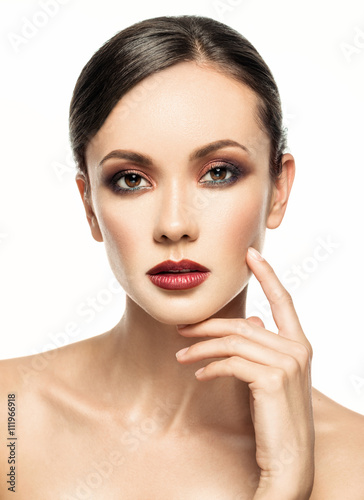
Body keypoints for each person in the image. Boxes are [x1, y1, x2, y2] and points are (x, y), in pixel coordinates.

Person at [1, 14, 363, 499]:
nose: (174, 225)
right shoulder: (9, 418)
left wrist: (290, 479)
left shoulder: (354, 462)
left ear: (279, 189)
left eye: (218, 173)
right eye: (131, 179)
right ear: (90, 205)